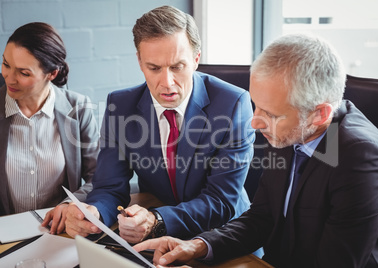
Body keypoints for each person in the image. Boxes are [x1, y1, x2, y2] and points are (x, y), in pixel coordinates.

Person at [133, 34, 378, 268]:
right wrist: (199, 246)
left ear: (319, 114)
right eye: (256, 105)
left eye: (270, 113)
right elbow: (263, 217)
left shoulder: (361, 160)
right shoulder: (292, 130)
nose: (255, 122)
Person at [65, 5, 255, 244]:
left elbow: (220, 200)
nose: (167, 82)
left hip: (222, 238)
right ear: (140, 61)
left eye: (177, 67)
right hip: (153, 239)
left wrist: (157, 220)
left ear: (196, 59)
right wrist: (95, 211)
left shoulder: (233, 104)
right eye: (154, 68)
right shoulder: (120, 106)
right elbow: (109, 186)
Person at [0, 22, 99, 235]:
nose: (9, 77)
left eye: (23, 73)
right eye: (6, 64)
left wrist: (69, 204)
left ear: (51, 73)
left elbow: (98, 176)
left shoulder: (78, 109)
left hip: (59, 233)